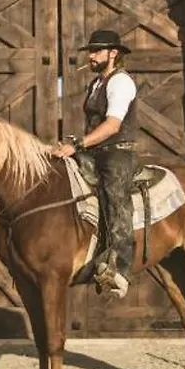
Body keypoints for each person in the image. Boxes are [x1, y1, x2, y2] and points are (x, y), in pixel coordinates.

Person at [50, 29, 139, 299]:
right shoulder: (96, 84)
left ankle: (120, 267)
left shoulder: (121, 82)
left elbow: (112, 126)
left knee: (115, 195)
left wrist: (78, 145)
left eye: (97, 51)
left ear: (114, 54)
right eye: (91, 51)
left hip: (117, 153)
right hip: (95, 151)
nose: (91, 56)